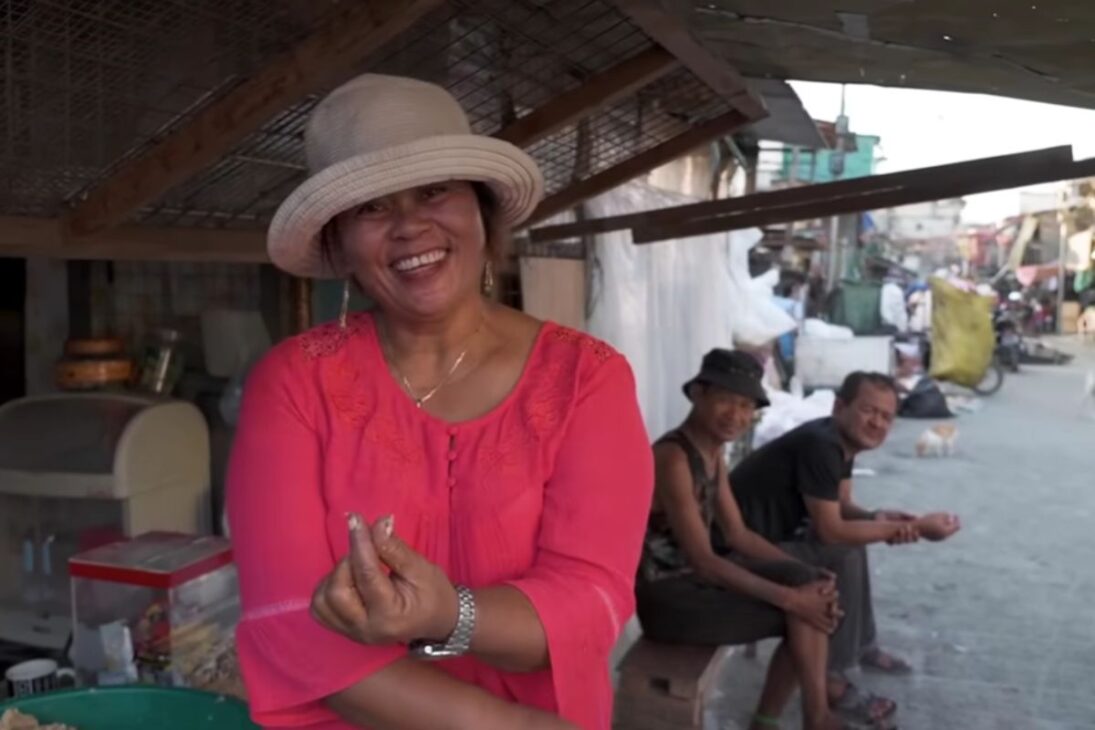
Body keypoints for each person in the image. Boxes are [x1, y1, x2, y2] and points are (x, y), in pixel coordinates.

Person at [227, 74, 654, 730]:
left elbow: (590, 603)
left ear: (481, 211)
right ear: (339, 243)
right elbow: (288, 625)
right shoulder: (291, 384)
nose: (408, 226)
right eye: (372, 207)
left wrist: (447, 616)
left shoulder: (585, 380)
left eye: (434, 192)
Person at [636, 349, 852, 730]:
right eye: (725, 400)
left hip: (696, 585)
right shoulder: (673, 457)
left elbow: (738, 534)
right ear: (699, 394)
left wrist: (802, 572)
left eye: (745, 405)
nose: (736, 416)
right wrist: (791, 599)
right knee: (802, 614)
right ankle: (805, 718)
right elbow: (703, 559)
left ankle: (804, 716)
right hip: (668, 600)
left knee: (810, 587)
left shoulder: (712, 452)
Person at [731, 371, 961, 720]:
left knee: (855, 538)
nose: (877, 423)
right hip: (743, 550)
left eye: (886, 417)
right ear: (840, 407)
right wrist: (913, 528)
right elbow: (830, 530)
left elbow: (839, 505)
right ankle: (832, 677)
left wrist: (880, 516)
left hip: (775, 536)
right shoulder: (822, 445)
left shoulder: (839, 441)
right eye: (869, 411)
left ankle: (860, 647)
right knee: (843, 551)